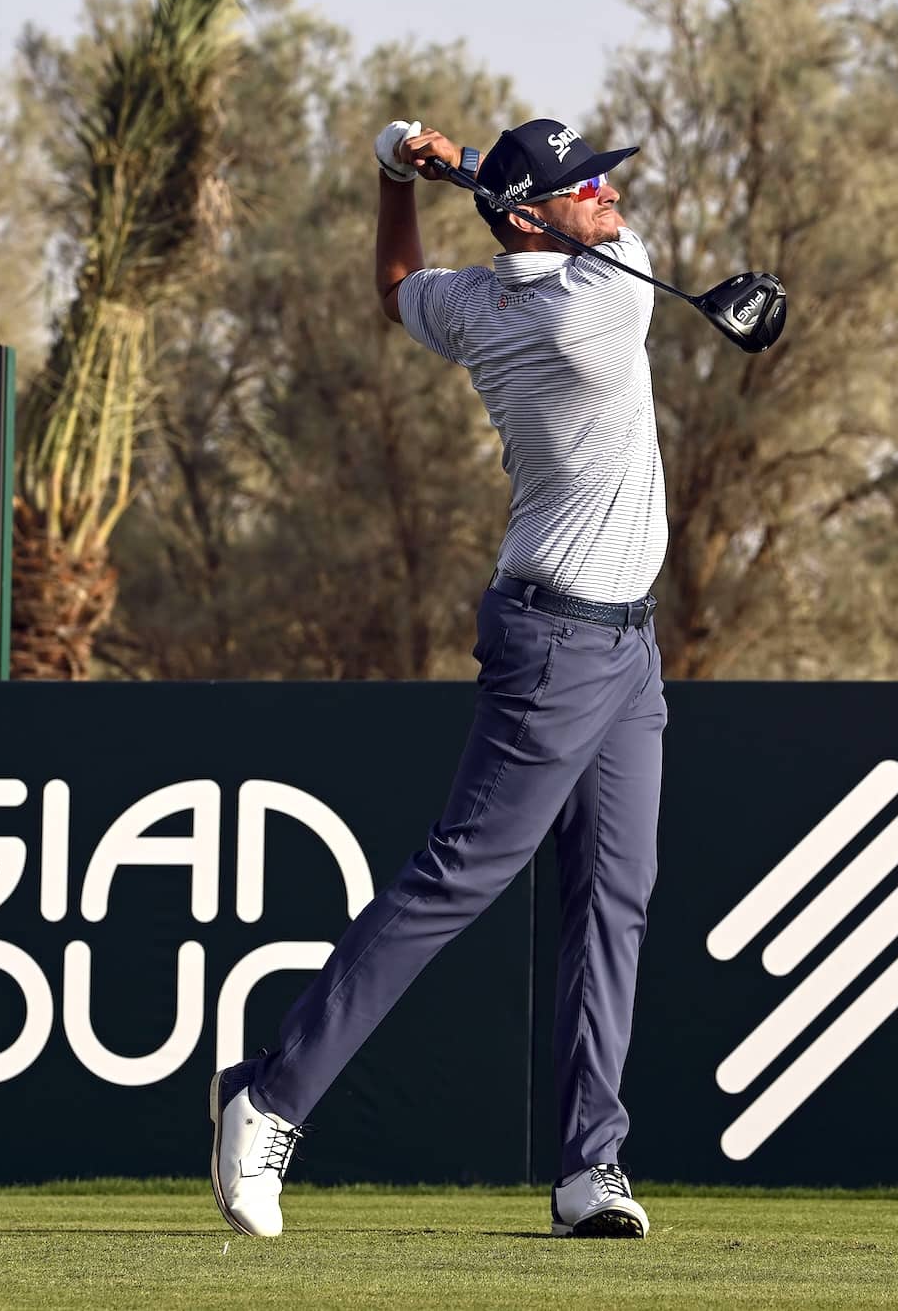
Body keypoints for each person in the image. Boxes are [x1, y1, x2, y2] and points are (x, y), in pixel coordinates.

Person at [210, 116, 669, 1240]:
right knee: (457, 878)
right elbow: (571, 242)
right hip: (559, 646)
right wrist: (459, 170)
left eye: (605, 180)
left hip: (625, 649)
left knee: (614, 900)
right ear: (531, 218)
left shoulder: (478, 304)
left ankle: (585, 1170)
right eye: (585, 187)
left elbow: (396, 284)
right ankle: (268, 1096)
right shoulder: (596, 305)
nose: (608, 195)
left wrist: (392, 175)